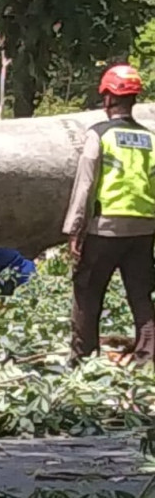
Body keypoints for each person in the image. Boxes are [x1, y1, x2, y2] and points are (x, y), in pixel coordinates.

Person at [63, 63, 155, 366]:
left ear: (106, 98)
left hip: (105, 228)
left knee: (88, 293)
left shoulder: (98, 135)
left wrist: (74, 229)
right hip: (143, 230)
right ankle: (147, 360)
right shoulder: (150, 139)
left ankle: (84, 360)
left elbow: (85, 185)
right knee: (141, 296)